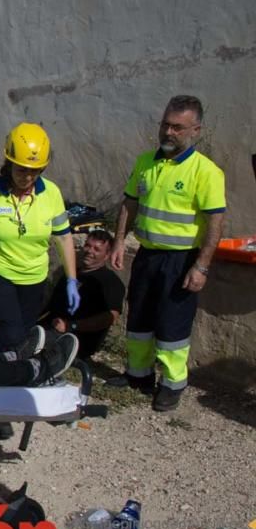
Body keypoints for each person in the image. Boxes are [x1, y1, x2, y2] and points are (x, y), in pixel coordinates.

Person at [0, 123, 78, 439]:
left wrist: (72, 279)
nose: (28, 177)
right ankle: (4, 407)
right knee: (12, 338)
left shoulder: (52, 194)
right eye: (22, 169)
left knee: (15, 343)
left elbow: (63, 237)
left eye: (35, 170)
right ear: (9, 163)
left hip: (33, 279)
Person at [108, 95, 225, 412]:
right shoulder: (146, 162)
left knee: (173, 326)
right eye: (165, 125)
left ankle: (172, 384)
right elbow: (130, 203)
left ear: (195, 130)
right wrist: (119, 241)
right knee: (139, 319)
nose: (168, 132)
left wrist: (201, 267)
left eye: (177, 127)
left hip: (181, 260)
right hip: (147, 256)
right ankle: (138, 375)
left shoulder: (206, 172)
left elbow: (215, 222)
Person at [41, 229, 126, 361]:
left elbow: (110, 317)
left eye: (97, 249)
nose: (90, 251)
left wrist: (71, 325)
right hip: (51, 326)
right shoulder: (72, 274)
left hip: (76, 338)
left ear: (107, 255)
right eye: (88, 245)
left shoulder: (110, 282)